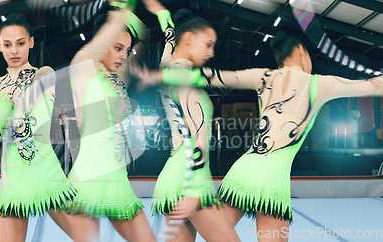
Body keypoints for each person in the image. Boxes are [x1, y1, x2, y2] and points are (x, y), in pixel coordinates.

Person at [138, 30, 383, 241]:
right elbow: (373, 85)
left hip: (242, 172)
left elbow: (216, 76)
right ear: (301, 51)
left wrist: (162, 73)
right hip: (272, 181)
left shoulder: (264, 76)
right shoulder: (319, 83)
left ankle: (190, 203)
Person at [0, 13, 76, 242]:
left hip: (48, 177)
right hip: (13, 182)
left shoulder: (45, 74)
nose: (14, 51)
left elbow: (53, 113)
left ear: (30, 42)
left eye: (20, 43)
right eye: (7, 45)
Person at [141, 1, 240, 241]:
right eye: (207, 44)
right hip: (190, 181)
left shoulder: (168, 66)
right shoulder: (185, 77)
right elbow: (198, 136)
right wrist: (193, 190)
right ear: (188, 39)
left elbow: (169, 40)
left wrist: (163, 14)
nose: (211, 52)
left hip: (172, 179)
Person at [66, 2, 156, 241]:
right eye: (117, 47)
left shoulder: (117, 79)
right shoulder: (83, 68)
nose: (123, 56)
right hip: (87, 181)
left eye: (126, 50)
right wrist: (119, 10)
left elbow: (144, 35)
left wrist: (132, 12)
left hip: (117, 182)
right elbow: (96, 45)